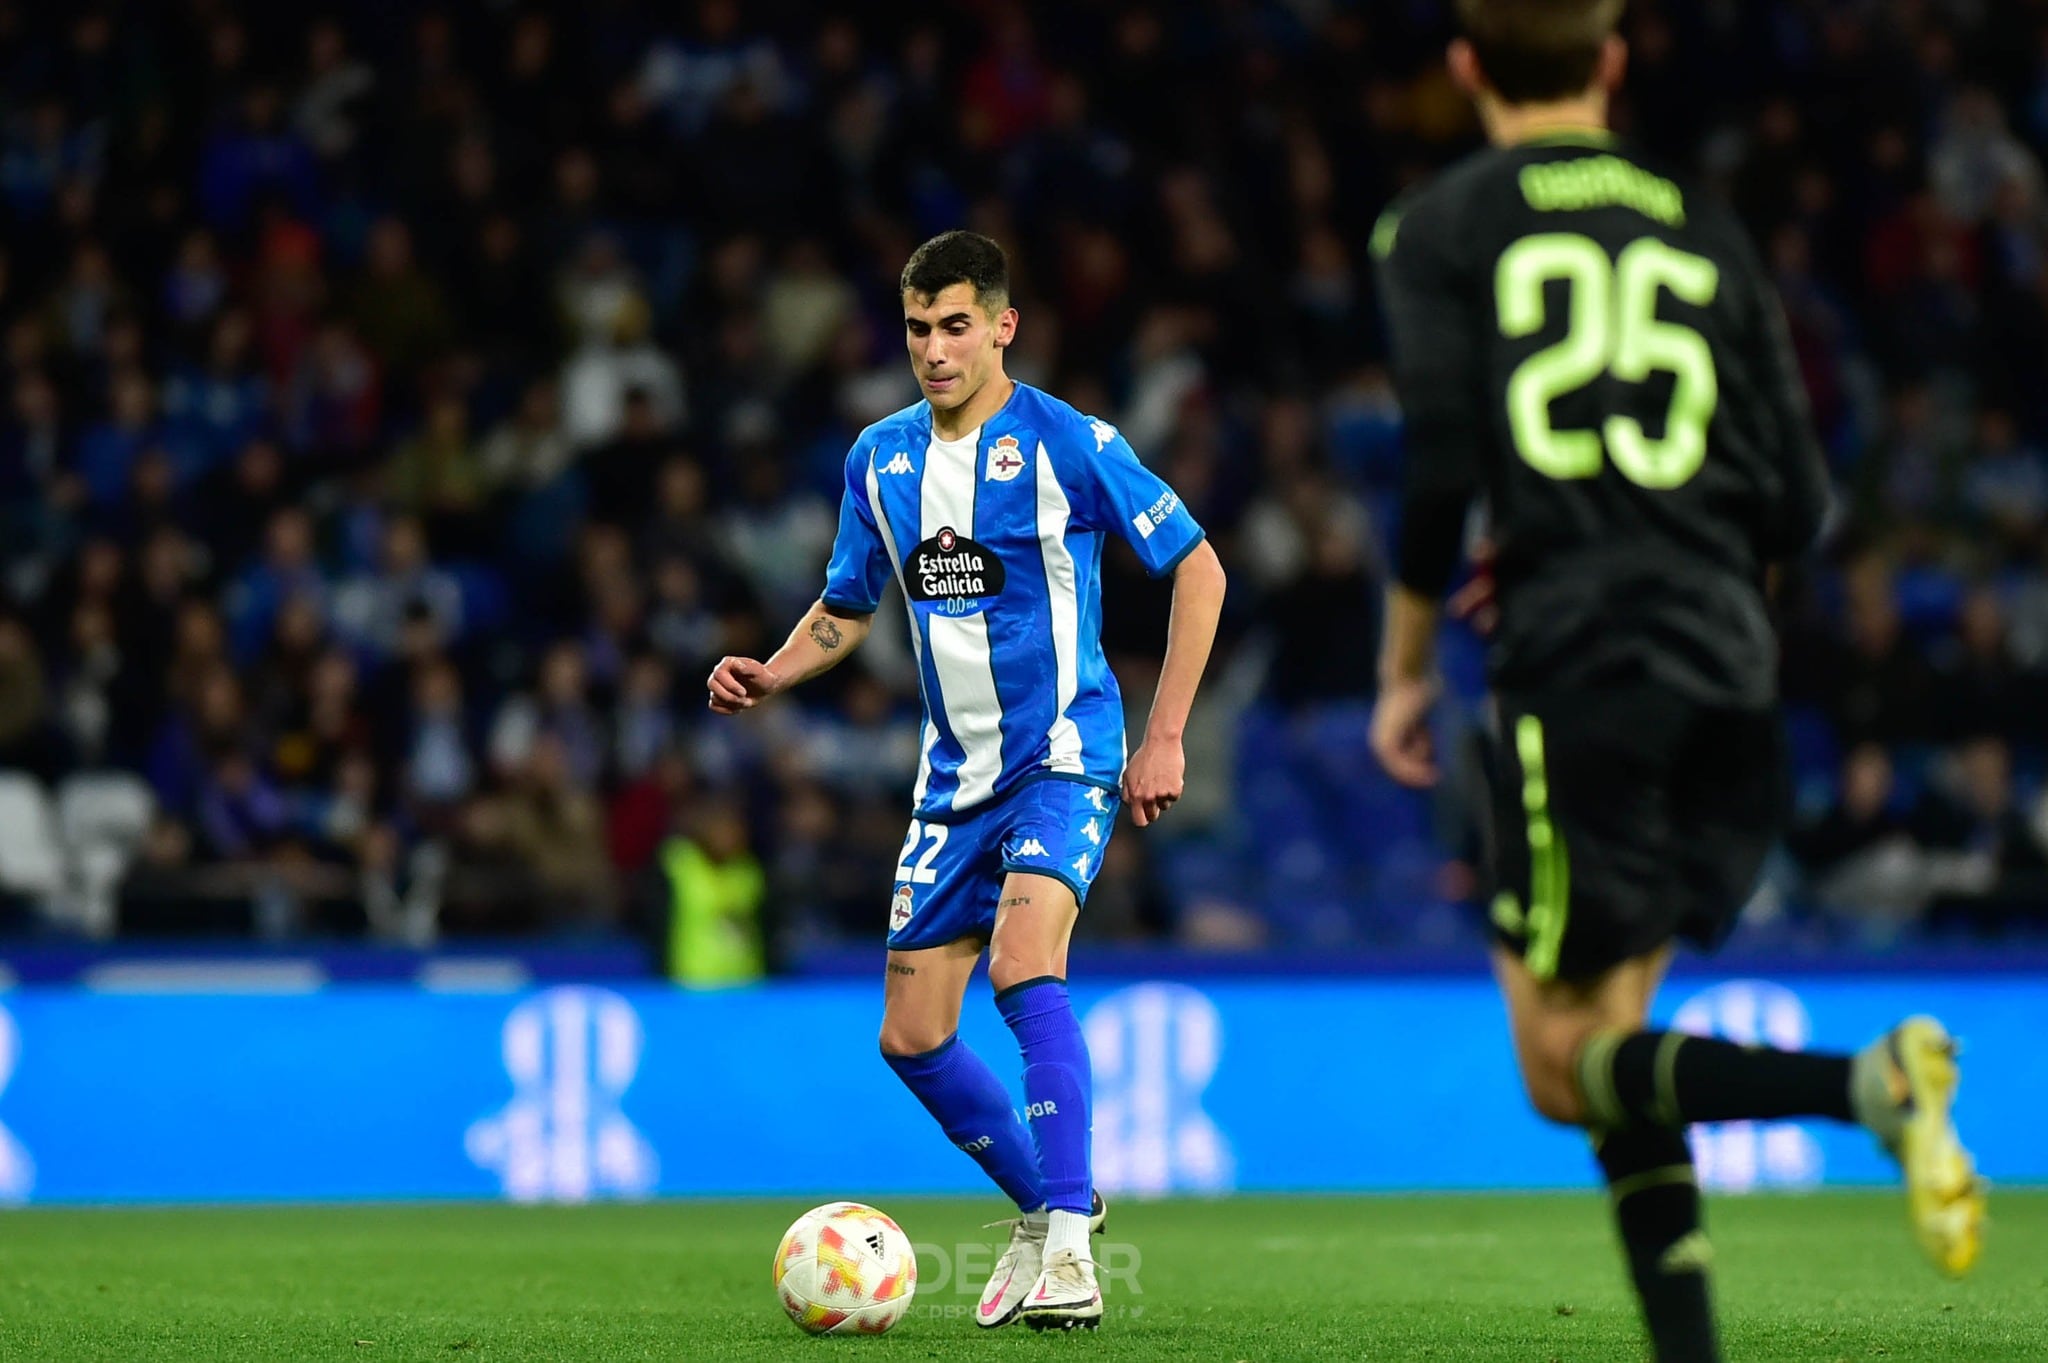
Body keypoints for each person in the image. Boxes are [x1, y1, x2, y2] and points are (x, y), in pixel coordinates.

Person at [1365, 4, 1985, 1360]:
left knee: (1556, 1069)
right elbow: (1801, 499)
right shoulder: (1704, 222)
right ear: (1615, 60)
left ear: (1466, 67)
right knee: (1619, 1041)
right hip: (1726, 656)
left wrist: (1407, 668)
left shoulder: (1441, 226)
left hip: (1582, 662)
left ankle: (1864, 1083)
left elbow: (1442, 470)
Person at [707, 230, 1225, 1331]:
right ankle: (1049, 1207)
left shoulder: (1066, 442)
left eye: (954, 327)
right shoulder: (879, 458)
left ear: (1001, 326)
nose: (934, 351)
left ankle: (1073, 1253)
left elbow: (1197, 566)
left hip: (1063, 758)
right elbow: (846, 607)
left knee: (1022, 963)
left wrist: (1165, 735)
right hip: (952, 783)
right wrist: (774, 668)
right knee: (909, 1036)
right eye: (915, 329)